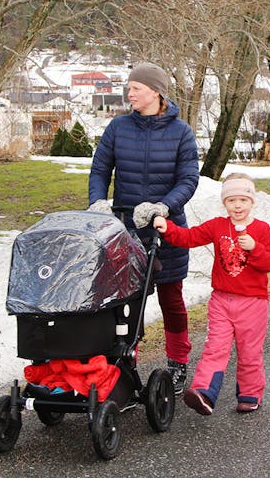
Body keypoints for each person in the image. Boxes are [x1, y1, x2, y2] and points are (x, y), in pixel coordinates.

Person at [88, 62, 199, 394]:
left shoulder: (181, 132)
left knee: (171, 299)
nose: (129, 93)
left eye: (135, 87)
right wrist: (97, 202)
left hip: (167, 228)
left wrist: (164, 206)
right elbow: (99, 170)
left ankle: (178, 362)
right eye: (129, 87)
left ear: (155, 91)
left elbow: (189, 179)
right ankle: (122, 360)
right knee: (121, 300)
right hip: (124, 229)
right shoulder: (118, 128)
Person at [153, 173, 270, 415]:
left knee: (250, 351)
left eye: (243, 200)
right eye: (232, 200)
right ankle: (204, 393)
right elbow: (189, 237)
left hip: (253, 303)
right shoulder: (218, 226)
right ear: (224, 203)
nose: (238, 205)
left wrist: (255, 248)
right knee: (215, 347)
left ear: (252, 202)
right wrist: (168, 228)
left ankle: (250, 394)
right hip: (221, 300)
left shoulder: (261, 230)